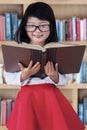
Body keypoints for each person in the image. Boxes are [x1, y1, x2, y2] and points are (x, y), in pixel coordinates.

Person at [4, 2, 85, 130]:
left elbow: (66, 79)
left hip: (51, 99)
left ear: (51, 27)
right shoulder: (18, 49)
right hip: (27, 100)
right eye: (32, 26)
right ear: (24, 27)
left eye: (43, 26)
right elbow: (8, 78)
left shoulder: (57, 49)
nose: (37, 31)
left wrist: (55, 76)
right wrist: (23, 75)